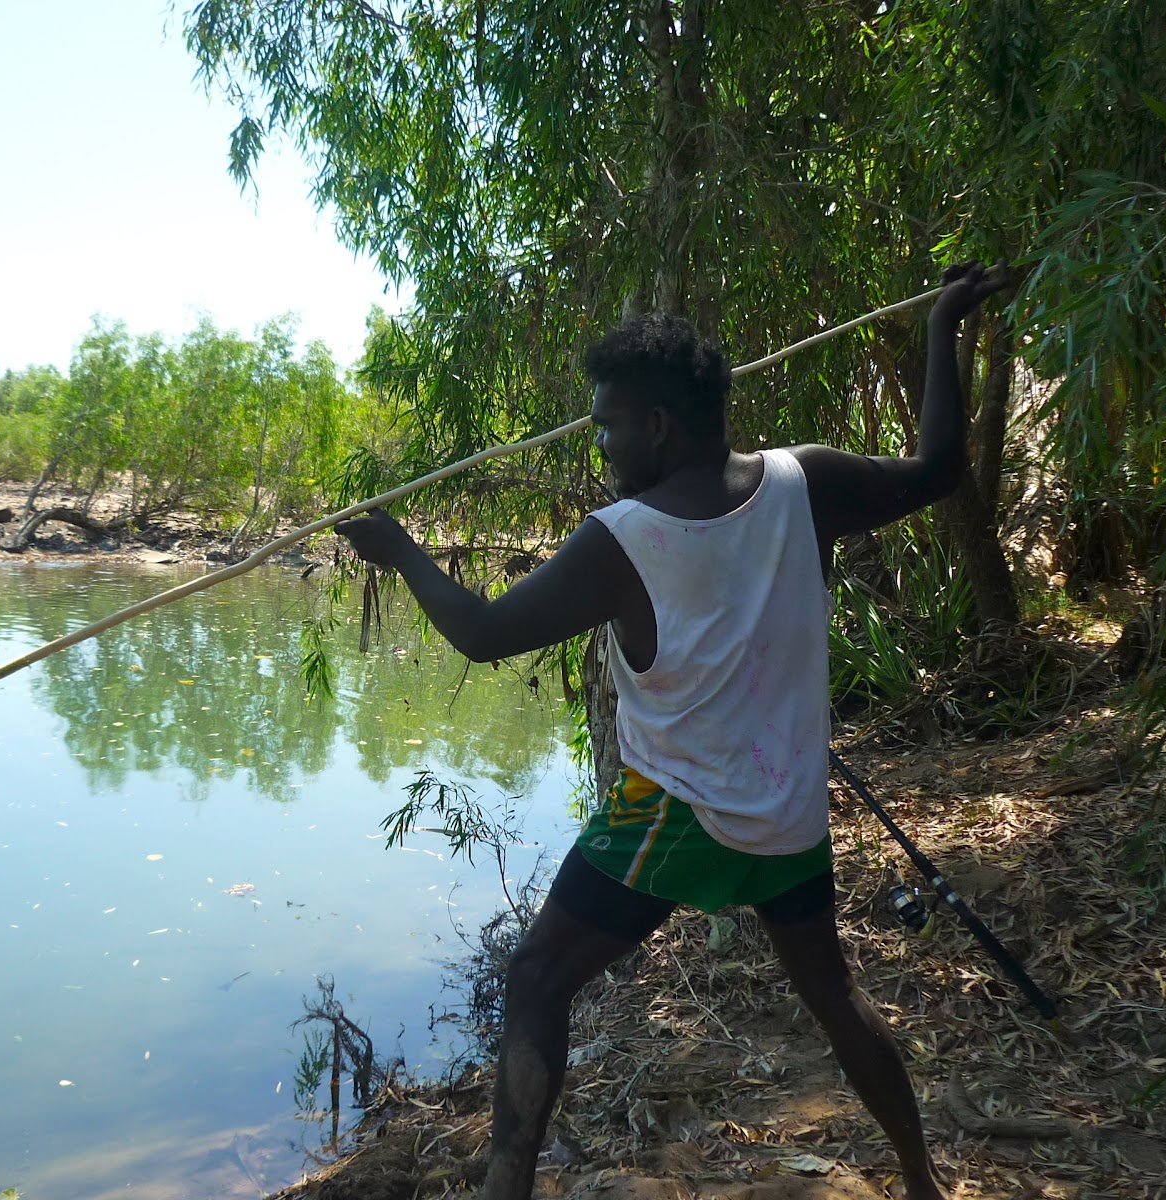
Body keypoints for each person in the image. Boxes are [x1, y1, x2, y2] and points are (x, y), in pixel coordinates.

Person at [334, 261, 1009, 1200]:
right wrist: (942, 327)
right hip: (784, 814)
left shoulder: (624, 537)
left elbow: (484, 636)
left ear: (657, 424)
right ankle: (924, 1183)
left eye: (609, 424)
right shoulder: (803, 481)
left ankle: (503, 1192)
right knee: (834, 998)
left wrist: (402, 548)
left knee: (534, 979)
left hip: (676, 813)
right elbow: (940, 469)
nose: (603, 442)